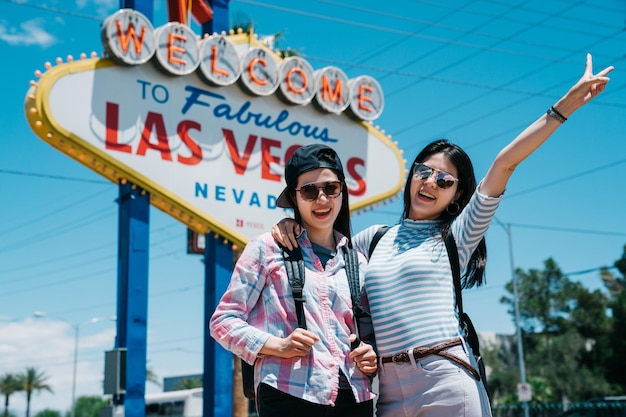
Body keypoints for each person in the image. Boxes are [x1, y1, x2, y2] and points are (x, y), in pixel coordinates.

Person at [272, 54, 613, 416]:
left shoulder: (457, 237)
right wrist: (290, 223)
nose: (430, 182)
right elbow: (321, 258)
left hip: (445, 377)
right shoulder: (371, 240)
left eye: (445, 180)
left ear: (458, 196)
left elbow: (504, 163)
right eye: (424, 171)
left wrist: (564, 107)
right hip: (387, 388)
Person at [209, 144, 378, 417]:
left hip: (354, 395)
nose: (322, 198)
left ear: (342, 191)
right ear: (295, 198)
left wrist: (370, 355)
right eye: (309, 190)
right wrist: (278, 346)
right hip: (289, 392)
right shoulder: (267, 248)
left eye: (331, 188)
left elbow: (366, 330)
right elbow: (222, 322)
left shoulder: (357, 261)